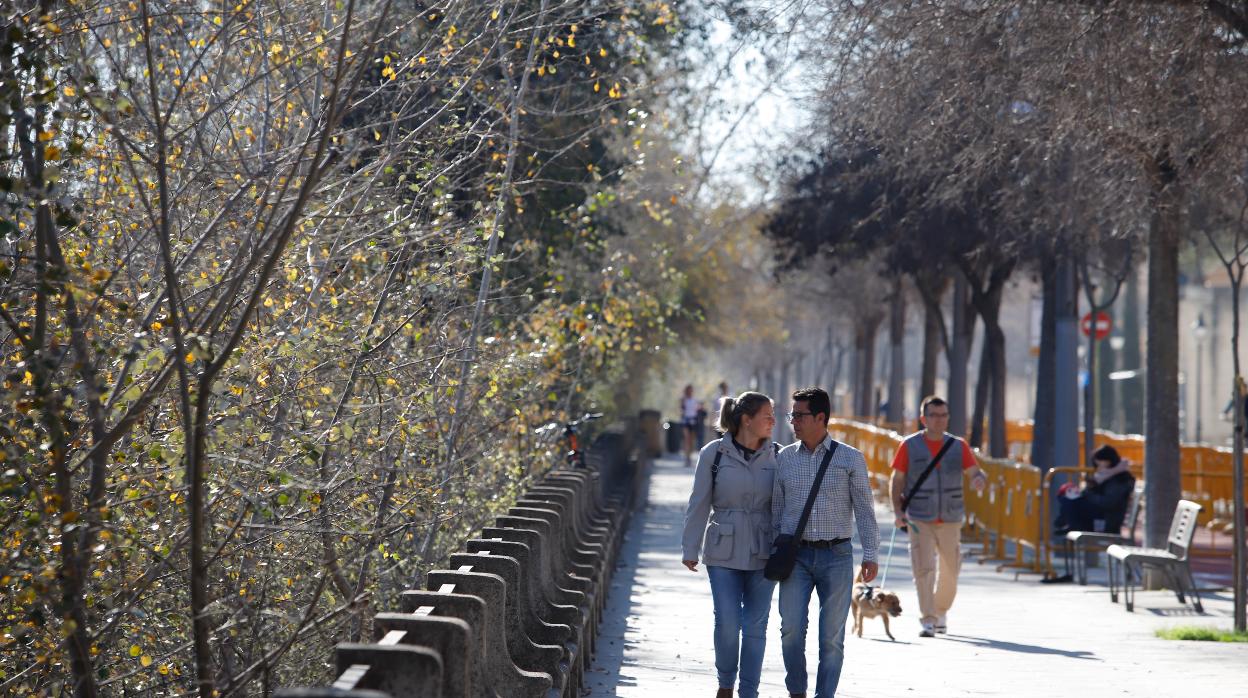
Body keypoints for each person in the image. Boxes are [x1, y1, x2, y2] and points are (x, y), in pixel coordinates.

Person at [772, 387, 878, 698]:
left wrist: (870, 554)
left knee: (832, 638)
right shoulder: (784, 459)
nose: (793, 421)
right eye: (793, 415)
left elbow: (865, 509)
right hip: (796, 557)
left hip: (838, 555)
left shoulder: (850, 458)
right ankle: (797, 691)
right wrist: (773, 550)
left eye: (799, 415)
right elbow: (776, 510)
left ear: (821, 417)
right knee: (790, 630)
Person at [681, 392, 780, 698]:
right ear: (746, 420)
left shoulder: (779, 454)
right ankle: (726, 683)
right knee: (726, 621)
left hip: (764, 550)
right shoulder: (715, 453)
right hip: (722, 547)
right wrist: (690, 548)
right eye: (767, 415)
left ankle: (749, 691)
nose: (773, 421)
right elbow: (698, 503)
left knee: (755, 626)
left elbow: (786, 505)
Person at [888, 395, 987, 638]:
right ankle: (929, 619)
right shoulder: (909, 446)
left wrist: (979, 479)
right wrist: (898, 512)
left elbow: (975, 470)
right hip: (919, 516)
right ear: (923, 419)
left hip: (950, 517)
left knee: (951, 569)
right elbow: (897, 479)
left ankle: (941, 610)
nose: (939, 420)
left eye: (943, 415)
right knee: (924, 568)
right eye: (934, 415)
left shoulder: (958, 446)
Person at [1054, 444, 1136, 535]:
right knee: (1068, 498)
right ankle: (1069, 523)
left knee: (1070, 502)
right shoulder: (1106, 476)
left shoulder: (1119, 479)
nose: (1098, 468)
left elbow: (1109, 502)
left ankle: (1071, 525)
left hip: (1107, 521)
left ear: (1109, 461)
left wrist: (1089, 494)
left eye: (1100, 464)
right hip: (1102, 515)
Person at [681, 384, 702, 467]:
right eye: (689, 390)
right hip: (686, 421)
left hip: (693, 421)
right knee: (686, 439)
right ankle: (686, 458)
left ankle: (689, 457)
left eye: (691, 390)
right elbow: (681, 410)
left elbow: (697, 410)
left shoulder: (695, 400)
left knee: (691, 441)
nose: (690, 391)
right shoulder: (683, 400)